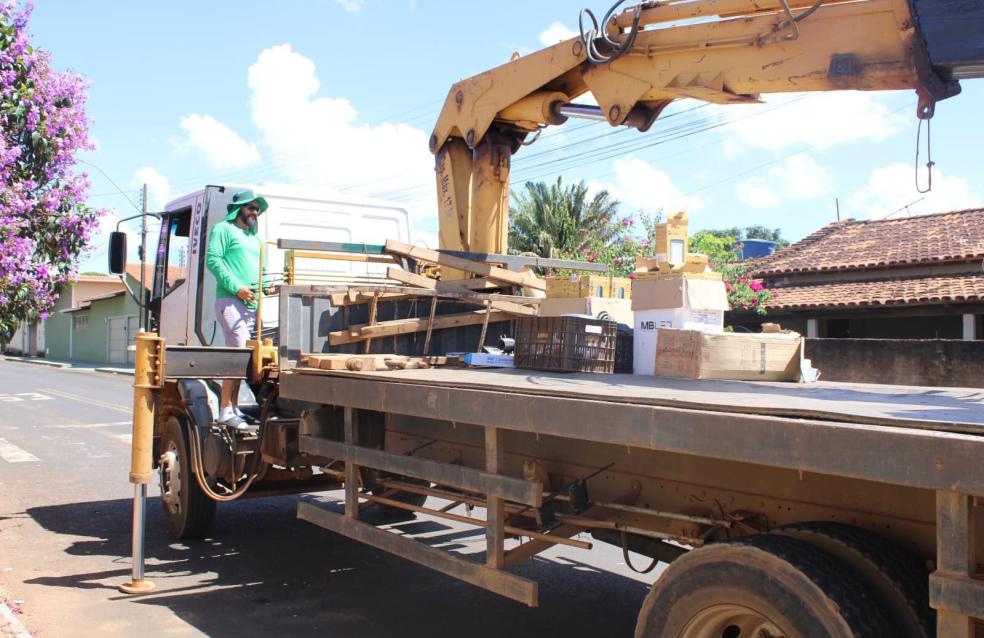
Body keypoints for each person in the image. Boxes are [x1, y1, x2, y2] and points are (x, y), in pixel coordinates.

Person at [205, 189, 268, 429]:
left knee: (249, 358)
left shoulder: (256, 239)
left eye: (257, 208)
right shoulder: (223, 228)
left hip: (254, 303)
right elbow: (213, 260)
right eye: (251, 207)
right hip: (230, 300)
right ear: (238, 208)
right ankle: (224, 411)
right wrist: (236, 287)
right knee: (238, 351)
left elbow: (261, 270)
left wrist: (267, 285)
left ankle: (234, 408)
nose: (255, 211)